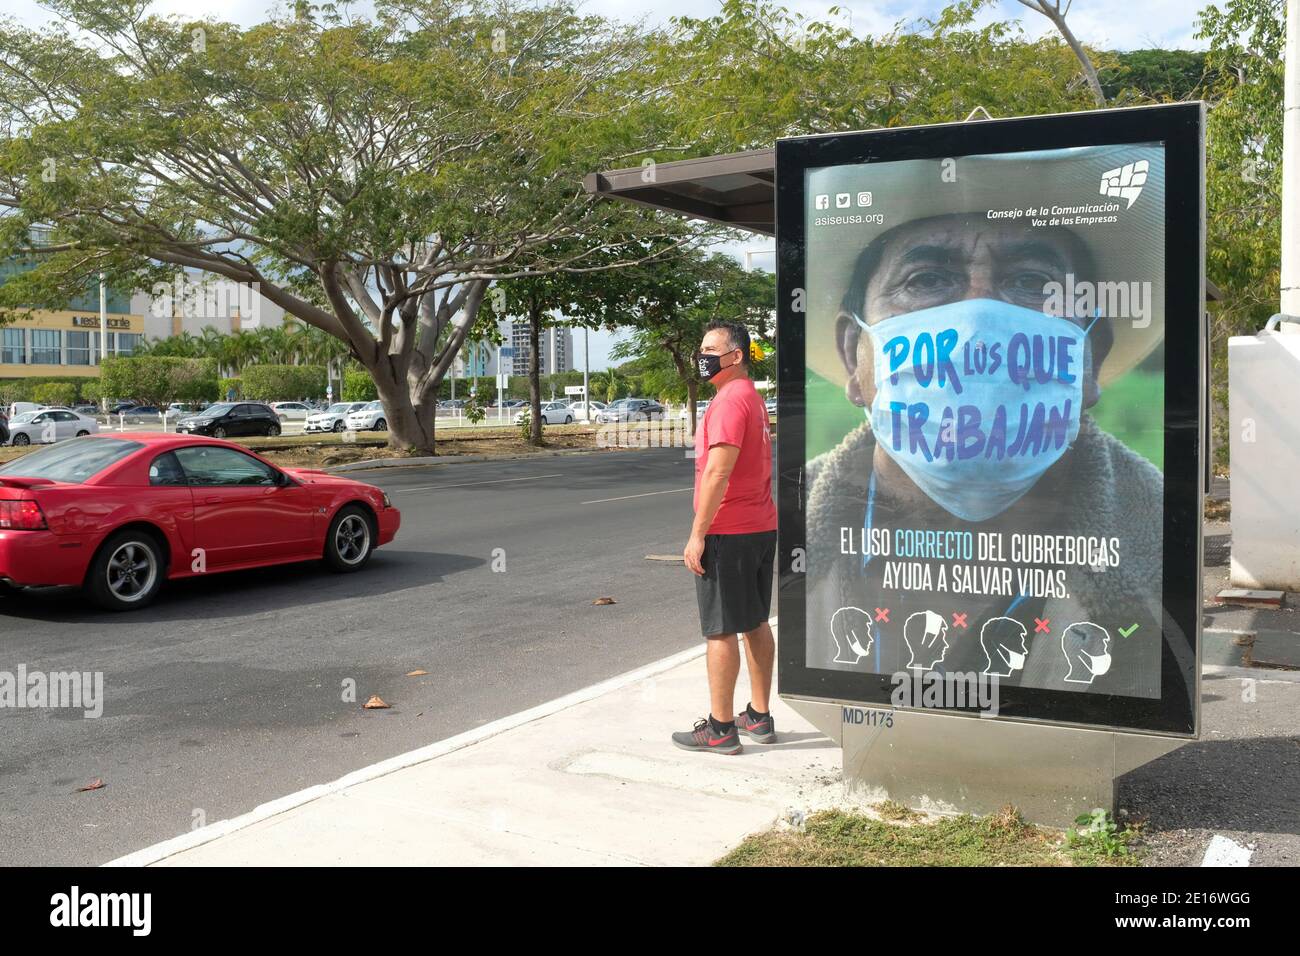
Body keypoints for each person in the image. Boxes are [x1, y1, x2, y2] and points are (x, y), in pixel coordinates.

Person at [805, 210, 1166, 697]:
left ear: (1091, 357)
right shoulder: (790, 511)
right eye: (927, 279)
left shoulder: (1161, 532)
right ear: (854, 355)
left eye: (1032, 281)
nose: (978, 320)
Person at [672, 320, 778, 755]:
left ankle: (719, 728)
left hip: (728, 531)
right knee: (754, 622)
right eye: (701, 347)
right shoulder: (750, 396)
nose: (703, 355)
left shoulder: (730, 402)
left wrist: (698, 534)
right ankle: (758, 715)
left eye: (711, 348)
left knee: (720, 631)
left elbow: (719, 470)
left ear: (735, 356)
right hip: (760, 526)